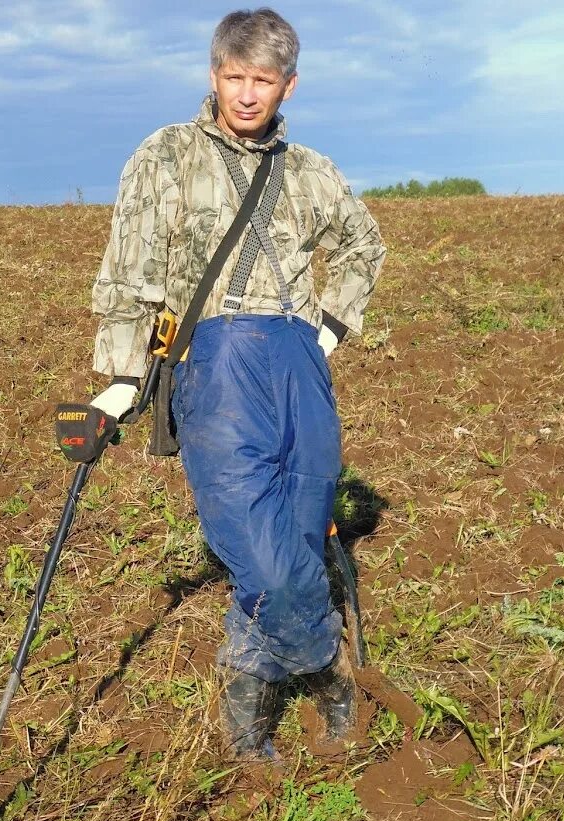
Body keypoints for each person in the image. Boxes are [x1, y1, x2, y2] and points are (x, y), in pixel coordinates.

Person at [86, 8, 385, 759]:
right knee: (258, 550)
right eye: (233, 77)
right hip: (212, 369)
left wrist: (327, 332)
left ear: (289, 84)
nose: (247, 95)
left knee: (294, 540)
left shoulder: (312, 171)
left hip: (300, 371)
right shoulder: (166, 156)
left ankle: (245, 710)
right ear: (213, 73)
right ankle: (328, 673)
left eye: (263, 81)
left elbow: (363, 244)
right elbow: (129, 275)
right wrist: (122, 383)